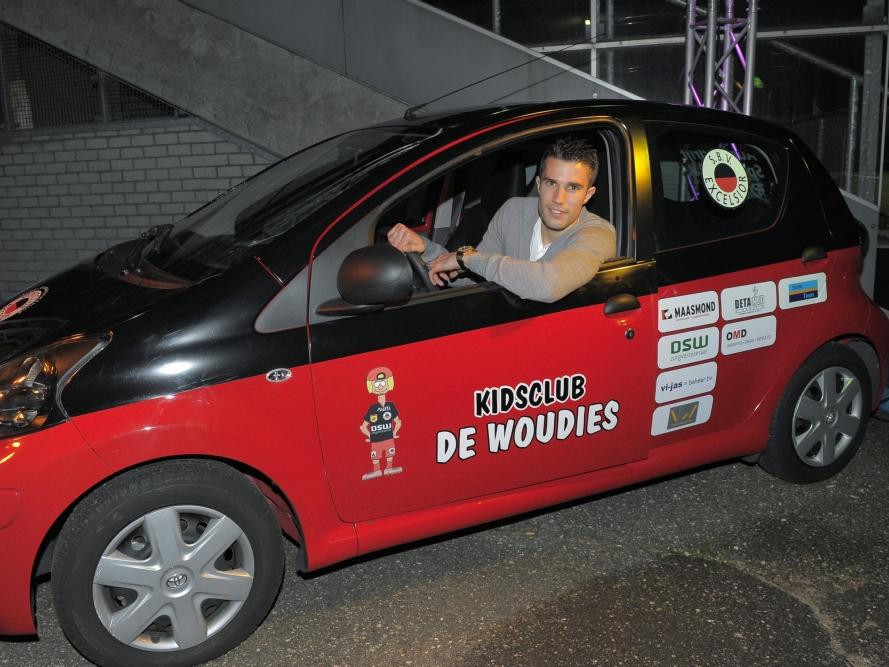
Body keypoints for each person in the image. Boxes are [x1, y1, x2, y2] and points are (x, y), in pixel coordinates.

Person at [386, 136, 616, 303]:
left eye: (573, 188)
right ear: (538, 184)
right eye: (551, 183)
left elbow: (549, 285)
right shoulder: (513, 211)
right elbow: (479, 282)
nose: (558, 198)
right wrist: (426, 250)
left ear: (588, 195)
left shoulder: (598, 233)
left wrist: (467, 258)